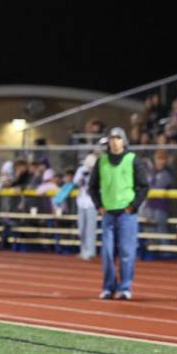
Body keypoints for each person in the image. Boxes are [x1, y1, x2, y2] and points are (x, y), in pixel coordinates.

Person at [89, 127, 150, 300]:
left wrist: (134, 206)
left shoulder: (133, 160)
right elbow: (92, 187)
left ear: (124, 141)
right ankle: (108, 287)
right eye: (112, 138)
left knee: (126, 252)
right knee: (107, 253)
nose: (114, 141)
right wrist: (98, 205)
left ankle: (124, 288)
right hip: (108, 213)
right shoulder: (101, 162)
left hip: (126, 213)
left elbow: (144, 186)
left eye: (118, 138)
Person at [73, 153, 98, 260]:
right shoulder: (81, 170)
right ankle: (83, 250)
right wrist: (83, 176)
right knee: (81, 228)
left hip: (92, 203)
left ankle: (90, 252)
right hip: (81, 202)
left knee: (90, 229)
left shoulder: (98, 172)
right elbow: (75, 182)